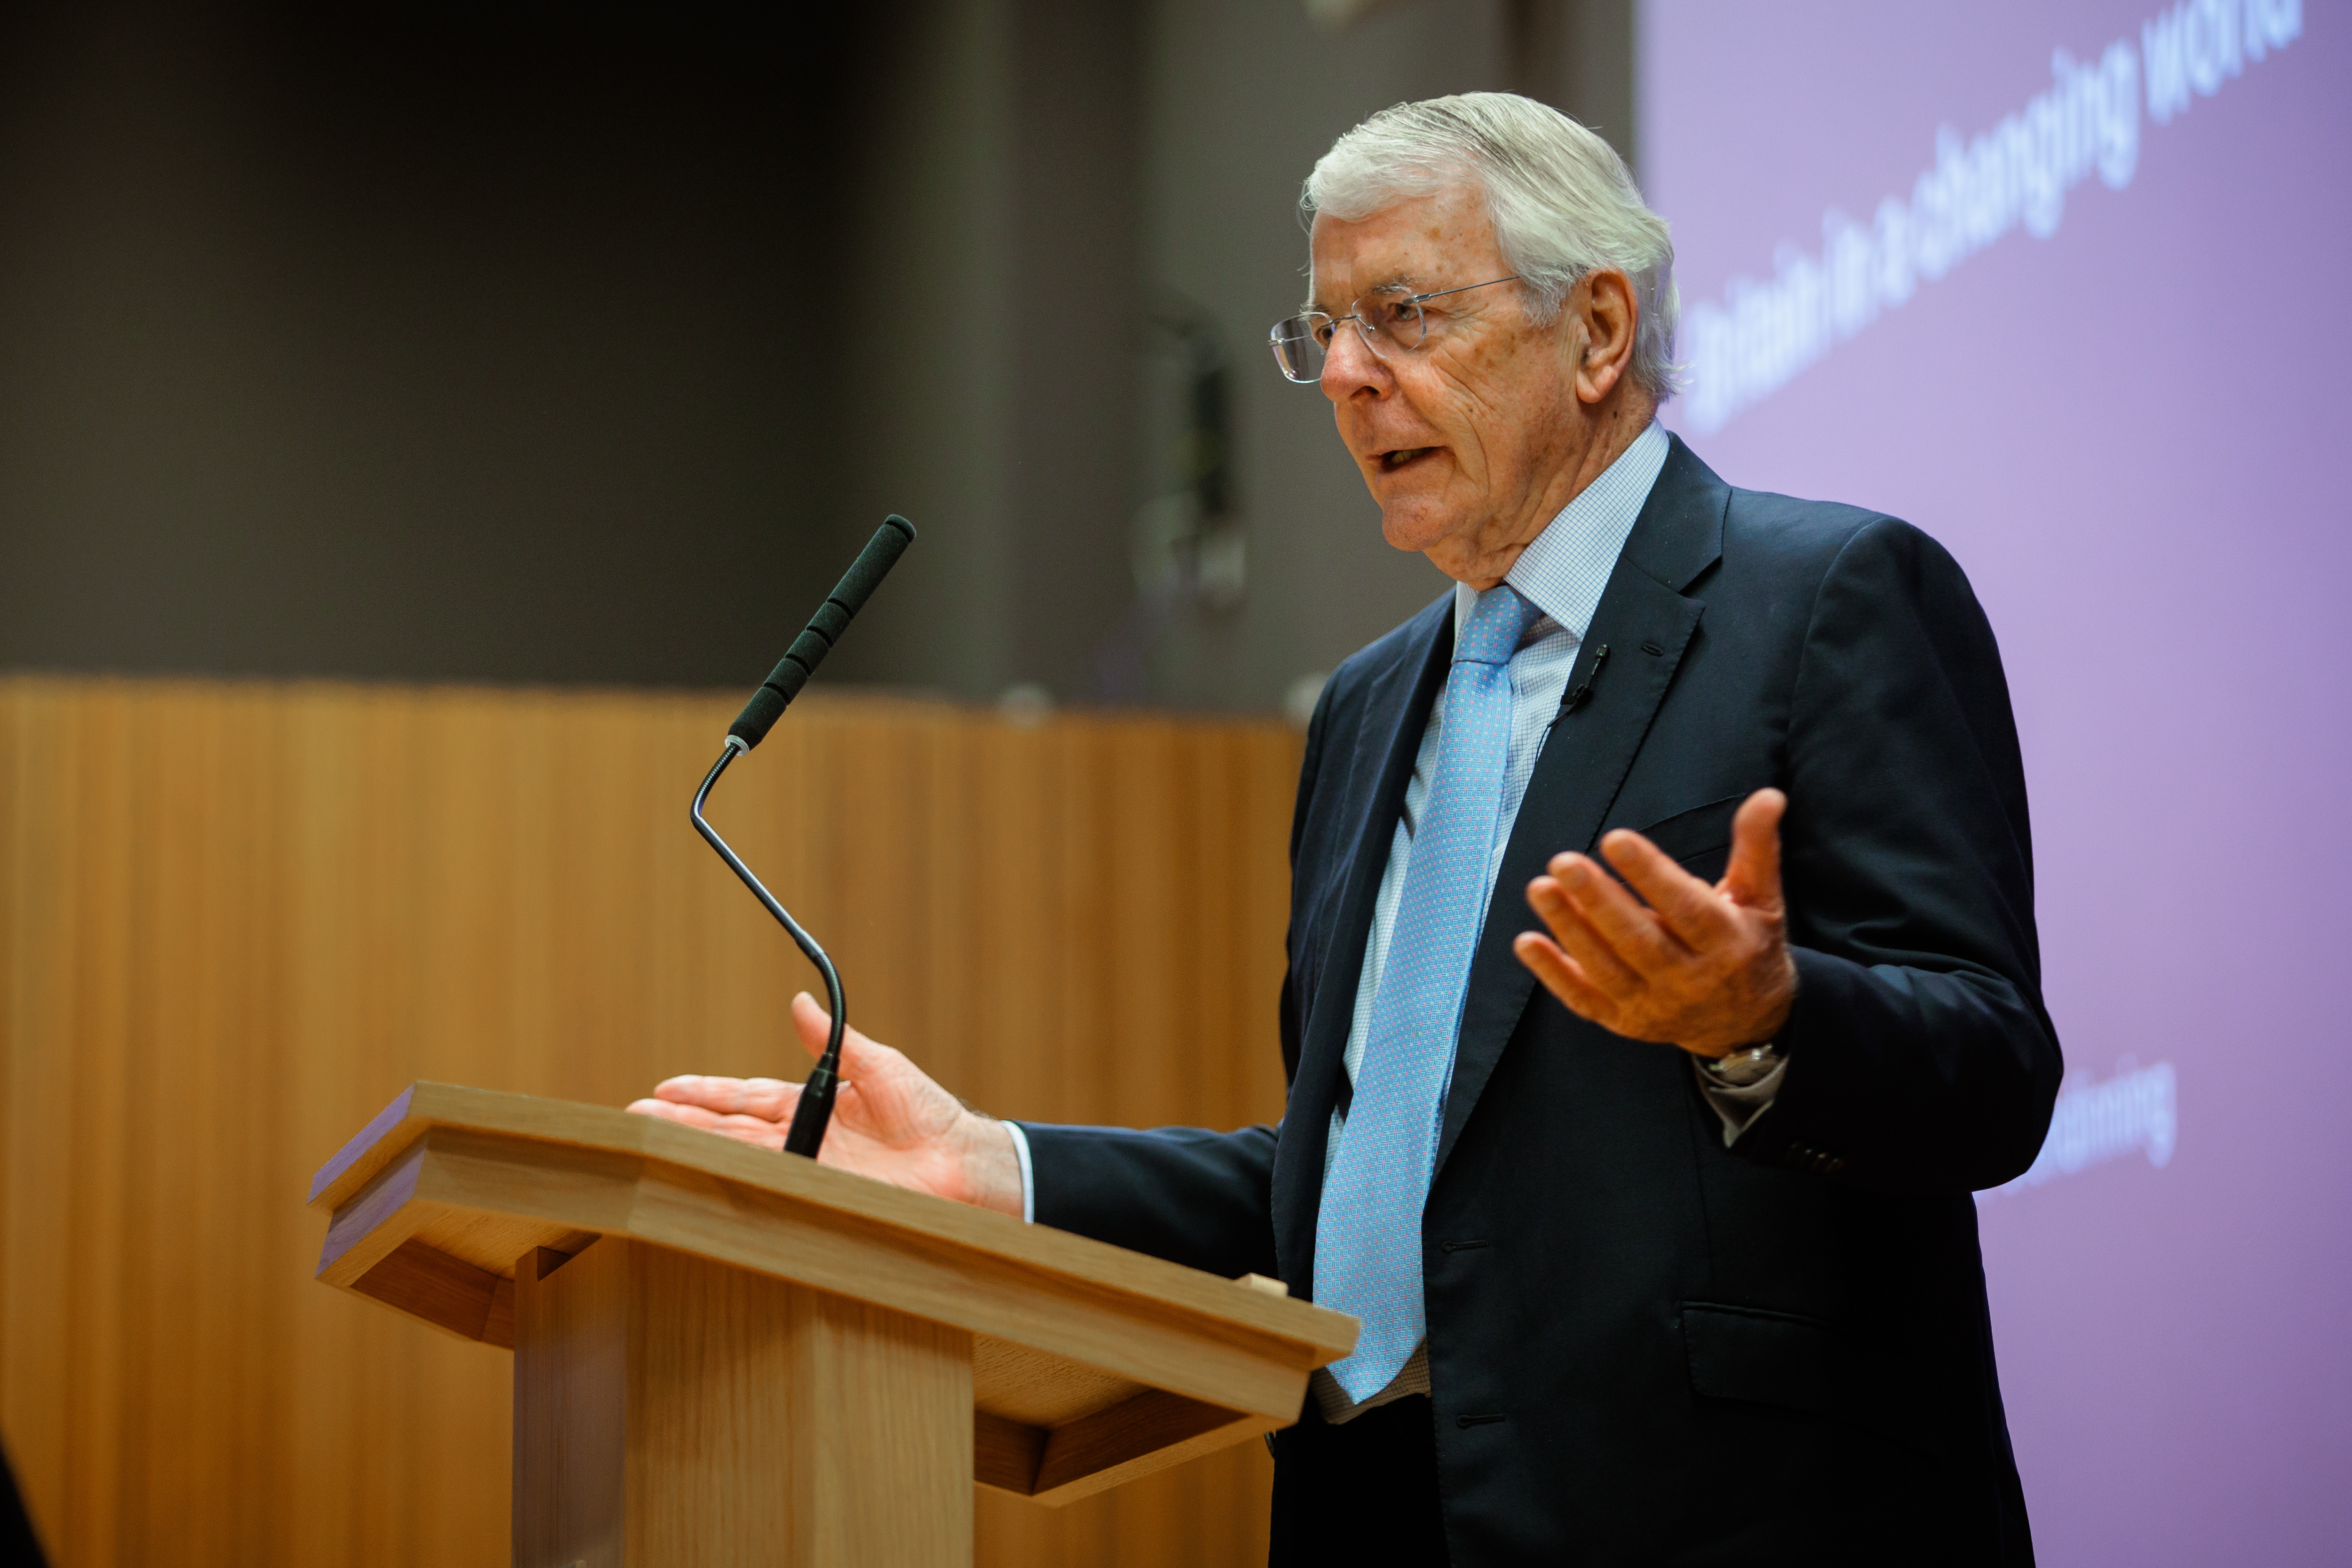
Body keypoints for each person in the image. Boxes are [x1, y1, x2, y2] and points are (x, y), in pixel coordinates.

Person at [632, 93, 2057, 1566]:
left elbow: (1996, 1066)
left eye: (1406, 314)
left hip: (1727, 1514)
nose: (1351, 377)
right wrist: (994, 1166)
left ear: (1600, 331)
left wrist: (1765, 1019)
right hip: (1370, 1509)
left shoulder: (1826, 599)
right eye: (1325, 334)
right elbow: (1364, 1180)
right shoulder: (1372, 708)